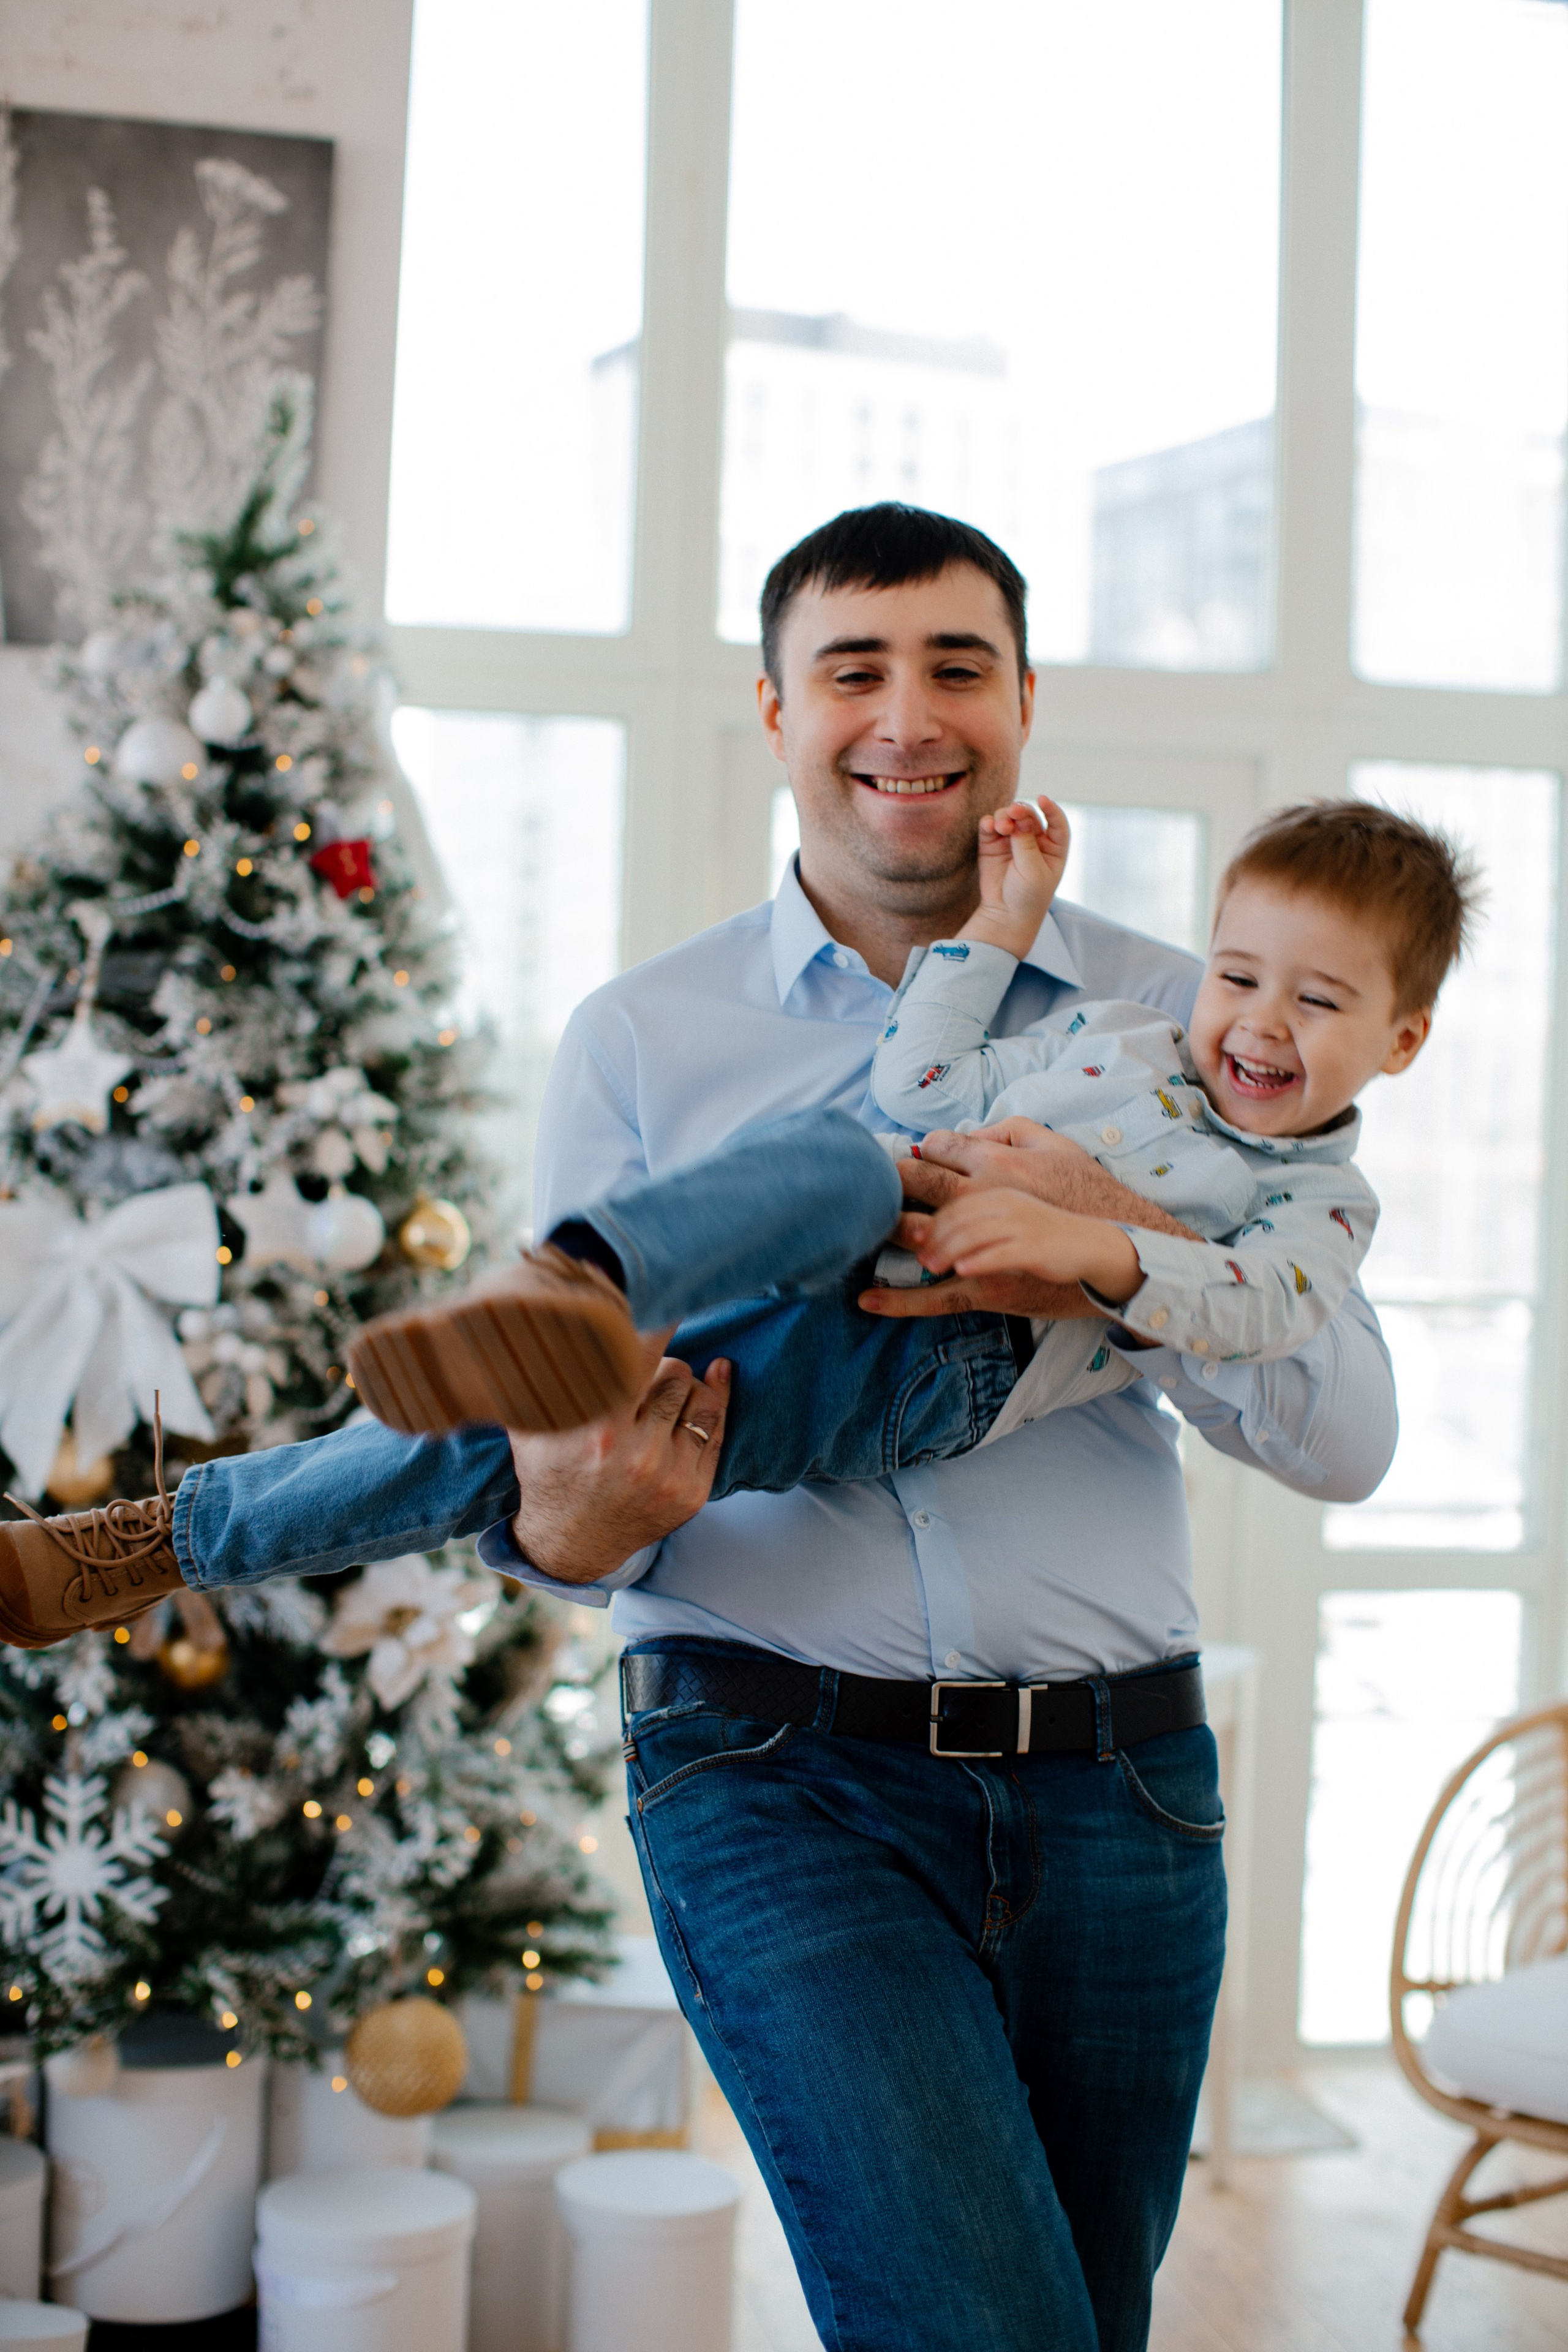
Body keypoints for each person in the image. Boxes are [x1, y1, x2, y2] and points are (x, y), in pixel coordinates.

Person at [0, 505, 1398, 2352]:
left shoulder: (1201, 1013)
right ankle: (525, 1326)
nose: (907, 715)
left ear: (1026, 704)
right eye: (854, 670)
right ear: (774, 715)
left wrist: (1106, 1251)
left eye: (956, 667)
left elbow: (1347, 1430)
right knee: (565, 1400)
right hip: (776, 1775)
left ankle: (190, 1526)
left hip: (1120, 1790)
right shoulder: (643, 1036)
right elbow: (565, 1544)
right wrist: (585, 1516)